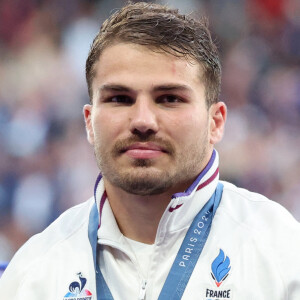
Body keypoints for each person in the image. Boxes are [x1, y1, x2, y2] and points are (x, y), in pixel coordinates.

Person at [1, 2, 300, 299]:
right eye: (120, 99)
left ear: (215, 122)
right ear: (90, 123)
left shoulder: (283, 256)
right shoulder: (33, 275)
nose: (143, 121)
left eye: (169, 98)